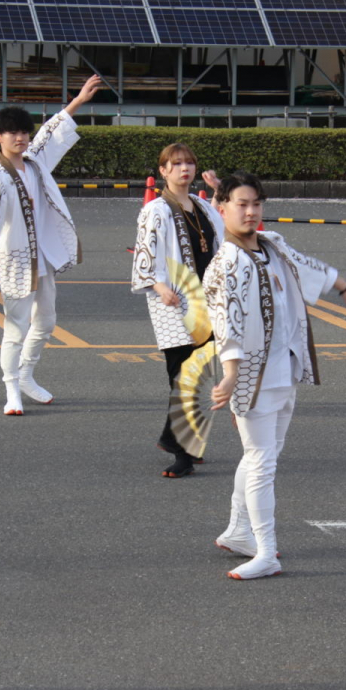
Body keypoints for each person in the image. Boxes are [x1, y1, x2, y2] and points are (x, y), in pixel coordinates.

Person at [204, 172, 346, 580]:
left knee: (262, 456)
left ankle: (241, 532)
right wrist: (230, 375)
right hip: (252, 375)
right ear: (221, 209)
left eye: (256, 203)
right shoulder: (224, 265)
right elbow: (227, 324)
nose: (251, 211)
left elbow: (305, 265)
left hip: (285, 366)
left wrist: (343, 285)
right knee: (261, 462)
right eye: (241, 204)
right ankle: (267, 551)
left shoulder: (272, 243)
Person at [0, 75, 102, 415]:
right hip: (14, 260)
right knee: (15, 327)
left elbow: (51, 134)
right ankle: (11, 389)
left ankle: (27, 374)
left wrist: (77, 102)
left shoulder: (35, 162)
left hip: (41, 259)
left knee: (45, 320)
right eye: (13, 133)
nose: (21, 138)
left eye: (24, 132)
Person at [131, 144, 224, 478]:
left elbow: (222, 234)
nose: (184, 168)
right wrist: (157, 286)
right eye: (176, 164)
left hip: (205, 301)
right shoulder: (155, 210)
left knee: (199, 373)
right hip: (173, 299)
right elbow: (144, 252)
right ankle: (182, 451)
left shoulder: (201, 206)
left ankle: (179, 441)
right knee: (182, 373)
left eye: (189, 163)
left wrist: (218, 192)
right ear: (164, 171)